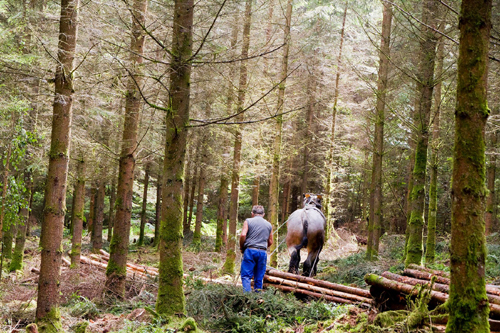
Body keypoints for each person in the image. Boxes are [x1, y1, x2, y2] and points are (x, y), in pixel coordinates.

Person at [239, 205, 273, 292]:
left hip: (250, 250)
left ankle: (247, 298)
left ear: (252, 214)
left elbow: (243, 235)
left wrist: (241, 247)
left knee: (246, 276)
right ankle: (258, 298)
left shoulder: (248, 221)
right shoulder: (269, 225)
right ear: (263, 214)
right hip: (262, 252)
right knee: (259, 277)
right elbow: (271, 241)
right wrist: (262, 247)